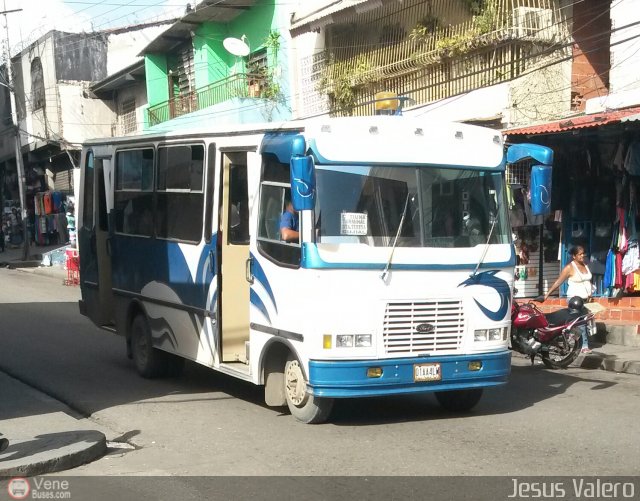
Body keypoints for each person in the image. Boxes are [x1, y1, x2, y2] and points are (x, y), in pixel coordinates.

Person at [544, 245, 593, 354]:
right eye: (579, 254)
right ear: (574, 256)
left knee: (584, 321)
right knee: (580, 322)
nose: (582, 256)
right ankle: (584, 345)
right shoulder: (569, 268)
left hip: (585, 299)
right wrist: (547, 294)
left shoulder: (585, 265)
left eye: (583, 253)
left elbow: (587, 281)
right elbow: (559, 281)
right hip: (574, 300)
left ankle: (573, 340)